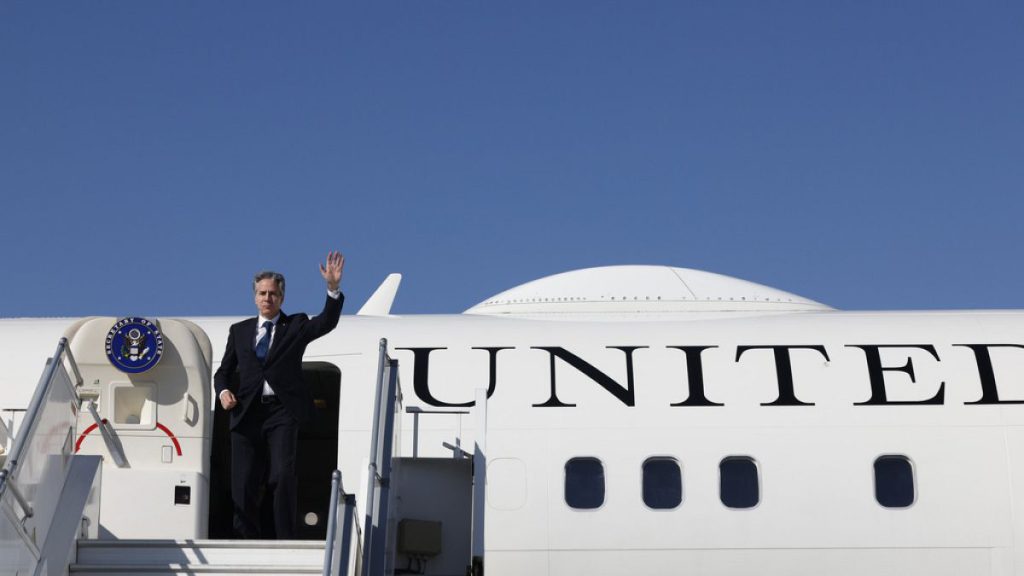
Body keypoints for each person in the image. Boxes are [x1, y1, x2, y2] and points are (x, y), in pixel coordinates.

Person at [214, 251, 344, 539]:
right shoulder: (239, 331)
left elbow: (326, 322)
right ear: (254, 297)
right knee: (243, 482)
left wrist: (332, 289)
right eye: (262, 293)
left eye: (273, 293)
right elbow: (223, 372)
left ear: (281, 298)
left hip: (282, 413)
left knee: (281, 477)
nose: (267, 298)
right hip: (246, 414)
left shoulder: (295, 325)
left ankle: (284, 539)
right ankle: (244, 540)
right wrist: (223, 392)